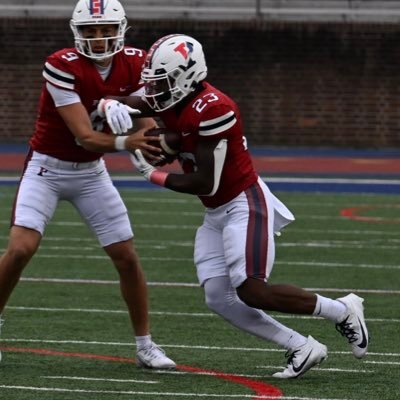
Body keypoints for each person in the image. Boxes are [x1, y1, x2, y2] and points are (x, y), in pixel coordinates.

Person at [103, 33, 369, 378]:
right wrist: (109, 104)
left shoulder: (214, 108)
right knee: (218, 296)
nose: (154, 91)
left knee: (252, 289)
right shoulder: (171, 97)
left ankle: (341, 310)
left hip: (244, 203)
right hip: (217, 211)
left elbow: (205, 182)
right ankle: (301, 346)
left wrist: (152, 174)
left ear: (186, 76)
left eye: (162, 82)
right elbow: (131, 101)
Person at [0, 0, 176, 369]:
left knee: (126, 256)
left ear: (121, 28)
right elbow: (83, 136)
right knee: (20, 249)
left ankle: (145, 344)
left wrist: (150, 143)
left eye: (105, 29)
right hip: (46, 170)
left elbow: (146, 123)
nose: (99, 37)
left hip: (90, 174)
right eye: (91, 31)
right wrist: (127, 143)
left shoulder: (136, 62)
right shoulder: (61, 64)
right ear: (78, 32)